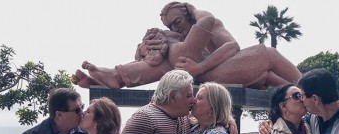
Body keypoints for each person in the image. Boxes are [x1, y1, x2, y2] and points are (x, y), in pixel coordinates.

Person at [73, 25, 301, 90]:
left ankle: (307, 91)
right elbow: (151, 61)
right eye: (170, 24)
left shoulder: (201, 29)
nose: (174, 25)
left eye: (176, 20)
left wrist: (199, 67)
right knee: (267, 57)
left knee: (267, 61)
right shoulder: (174, 47)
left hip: (215, 71)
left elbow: (232, 46)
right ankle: (114, 78)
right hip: (211, 76)